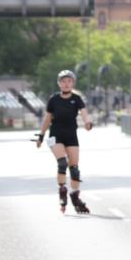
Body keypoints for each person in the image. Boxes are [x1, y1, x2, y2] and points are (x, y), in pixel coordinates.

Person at [35, 70, 93, 214]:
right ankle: (62, 190)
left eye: (69, 81)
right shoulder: (53, 100)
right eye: (63, 81)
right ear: (59, 83)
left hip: (71, 136)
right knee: (62, 163)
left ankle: (74, 196)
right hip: (55, 136)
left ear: (73, 83)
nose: (66, 84)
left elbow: (85, 114)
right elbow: (47, 119)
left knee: (74, 169)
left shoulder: (77, 99)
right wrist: (41, 136)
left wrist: (88, 123)